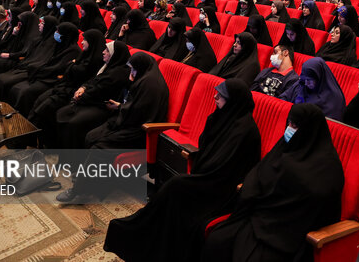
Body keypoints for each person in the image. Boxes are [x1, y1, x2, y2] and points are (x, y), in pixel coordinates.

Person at [104, 79, 261, 262]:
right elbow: (206, 149)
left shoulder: (246, 131)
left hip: (221, 189)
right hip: (204, 177)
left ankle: (148, 240)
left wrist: (199, 177)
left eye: (221, 95)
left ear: (233, 101)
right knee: (172, 194)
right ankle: (142, 236)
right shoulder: (220, 116)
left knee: (176, 187)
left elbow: (227, 168)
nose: (215, 96)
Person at [202, 103, 344, 262]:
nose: (289, 128)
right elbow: (260, 173)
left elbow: (316, 205)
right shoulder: (286, 146)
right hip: (259, 217)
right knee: (217, 240)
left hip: (288, 233)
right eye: (289, 123)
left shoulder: (328, 167)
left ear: (309, 130)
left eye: (295, 125)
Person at [56, 52, 170, 202]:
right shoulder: (146, 78)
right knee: (91, 135)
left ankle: (78, 189)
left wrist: (121, 109)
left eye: (133, 70)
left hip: (140, 131)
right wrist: (120, 107)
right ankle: (91, 182)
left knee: (100, 147)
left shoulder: (150, 84)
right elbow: (135, 108)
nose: (131, 73)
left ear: (141, 67)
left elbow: (139, 113)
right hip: (129, 121)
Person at [32, 40, 131, 147]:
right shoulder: (108, 66)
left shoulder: (119, 73)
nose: (103, 52)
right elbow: (93, 80)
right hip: (90, 99)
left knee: (73, 123)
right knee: (61, 112)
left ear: (115, 54)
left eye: (107, 50)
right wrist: (82, 88)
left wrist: (80, 96)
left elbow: (100, 91)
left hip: (103, 106)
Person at [6, 23, 83, 116]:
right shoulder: (59, 44)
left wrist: (41, 70)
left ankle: (22, 117)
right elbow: (47, 59)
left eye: (58, 31)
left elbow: (59, 68)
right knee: (15, 87)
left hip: (53, 79)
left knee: (25, 92)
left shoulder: (74, 50)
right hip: (43, 74)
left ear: (66, 34)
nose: (56, 33)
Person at [280, 57, 346, 121]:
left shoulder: (334, 98)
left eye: (309, 80)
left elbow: (331, 124)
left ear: (318, 77)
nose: (306, 83)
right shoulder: (301, 83)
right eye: (304, 79)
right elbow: (283, 98)